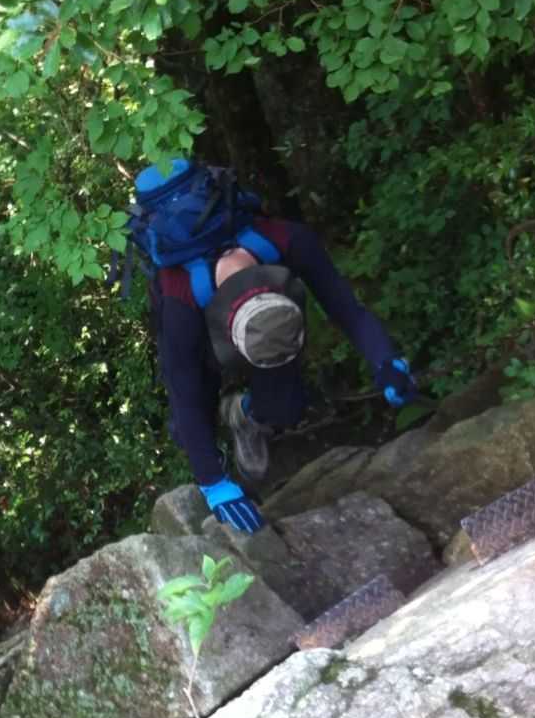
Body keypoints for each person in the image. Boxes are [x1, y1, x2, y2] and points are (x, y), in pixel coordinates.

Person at [136, 157, 416, 534]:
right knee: (191, 418)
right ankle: (219, 436)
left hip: (272, 328)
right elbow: (181, 382)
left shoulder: (285, 240)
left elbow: (347, 309)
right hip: (201, 344)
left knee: (286, 409)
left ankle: (244, 414)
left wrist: (387, 361)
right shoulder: (181, 294)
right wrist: (213, 483)